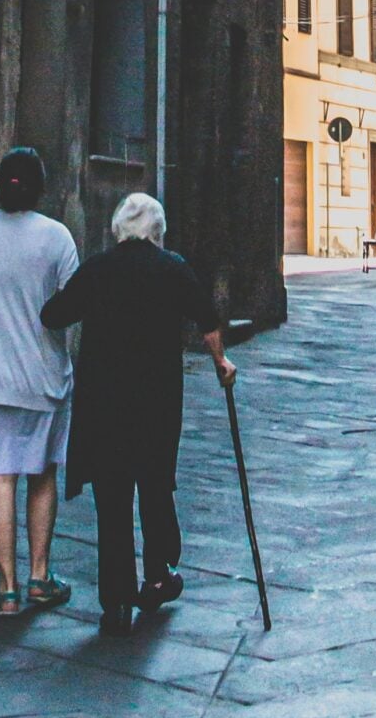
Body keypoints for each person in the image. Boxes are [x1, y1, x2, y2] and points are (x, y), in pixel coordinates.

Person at [40, 191, 234, 635]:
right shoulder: (173, 268)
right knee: (155, 485)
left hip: (104, 403)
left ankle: (115, 598)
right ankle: (159, 574)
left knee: (112, 500)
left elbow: (54, 315)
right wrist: (222, 363)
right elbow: (208, 320)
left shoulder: (97, 270)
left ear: (117, 231)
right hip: (156, 402)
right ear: (158, 233)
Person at [0, 146, 78, 621]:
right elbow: (71, 303)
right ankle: (39, 577)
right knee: (41, 475)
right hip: (42, 377)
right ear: (41, 187)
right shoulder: (57, 236)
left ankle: (6, 590)